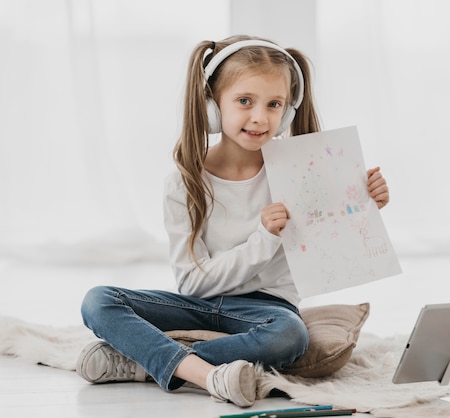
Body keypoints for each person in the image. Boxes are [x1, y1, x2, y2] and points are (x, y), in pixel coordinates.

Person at [76, 34, 390, 408]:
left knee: (291, 336)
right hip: (200, 303)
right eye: (244, 101)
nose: (260, 117)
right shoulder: (184, 181)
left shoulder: (300, 174)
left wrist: (362, 207)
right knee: (98, 301)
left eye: (274, 104)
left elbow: (327, 254)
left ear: (288, 112)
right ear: (212, 106)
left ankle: (143, 363)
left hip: (269, 310)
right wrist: (264, 238)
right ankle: (207, 375)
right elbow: (194, 281)